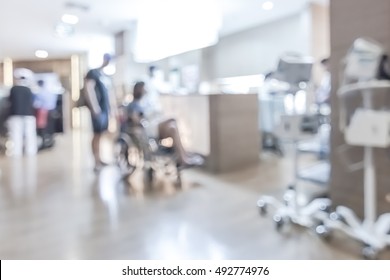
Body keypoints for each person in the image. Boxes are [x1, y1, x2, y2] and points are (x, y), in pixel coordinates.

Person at [127, 81, 203, 167]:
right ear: (139, 89)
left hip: (152, 126)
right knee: (172, 119)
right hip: (147, 129)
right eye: (144, 88)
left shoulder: (145, 102)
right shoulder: (134, 104)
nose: (146, 90)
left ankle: (183, 157)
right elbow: (135, 119)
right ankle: (184, 157)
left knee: (173, 128)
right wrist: (143, 117)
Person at [84, 53, 116, 172]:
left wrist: (112, 109)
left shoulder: (106, 75)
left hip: (105, 110)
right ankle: (96, 161)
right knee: (96, 134)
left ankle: (100, 158)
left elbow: (110, 94)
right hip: (98, 110)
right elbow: (89, 89)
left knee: (101, 134)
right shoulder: (93, 73)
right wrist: (94, 107)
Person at [7, 69, 37, 157]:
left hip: (15, 114)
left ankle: (16, 152)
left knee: (16, 134)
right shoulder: (29, 90)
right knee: (30, 134)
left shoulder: (13, 89)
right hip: (28, 114)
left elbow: (10, 102)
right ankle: (31, 151)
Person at [33, 79, 58, 150]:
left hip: (43, 112)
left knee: (43, 129)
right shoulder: (50, 92)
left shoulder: (40, 93)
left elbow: (36, 104)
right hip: (52, 111)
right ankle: (50, 142)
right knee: (50, 129)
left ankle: (44, 143)